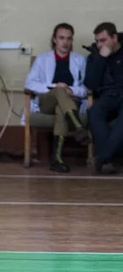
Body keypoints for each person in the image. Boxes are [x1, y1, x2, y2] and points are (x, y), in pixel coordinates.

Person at [23, 23, 89, 173]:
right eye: (61, 38)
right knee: (59, 91)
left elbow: (86, 88)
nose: (65, 42)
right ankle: (78, 126)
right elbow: (30, 83)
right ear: (54, 39)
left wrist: (71, 89)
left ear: (72, 40)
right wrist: (54, 87)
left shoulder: (80, 60)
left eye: (68, 39)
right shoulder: (42, 59)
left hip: (71, 101)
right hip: (48, 101)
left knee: (61, 108)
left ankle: (56, 159)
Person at [85, 22, 123, 174]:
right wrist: (101, 59)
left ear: (114, 38)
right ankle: (109, 159)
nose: (100, 44)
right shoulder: (95, 56)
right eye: (97, 41)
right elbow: (90, 84)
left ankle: (103, 158)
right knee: (94, 112)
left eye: (103, 40)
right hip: (108, 96)